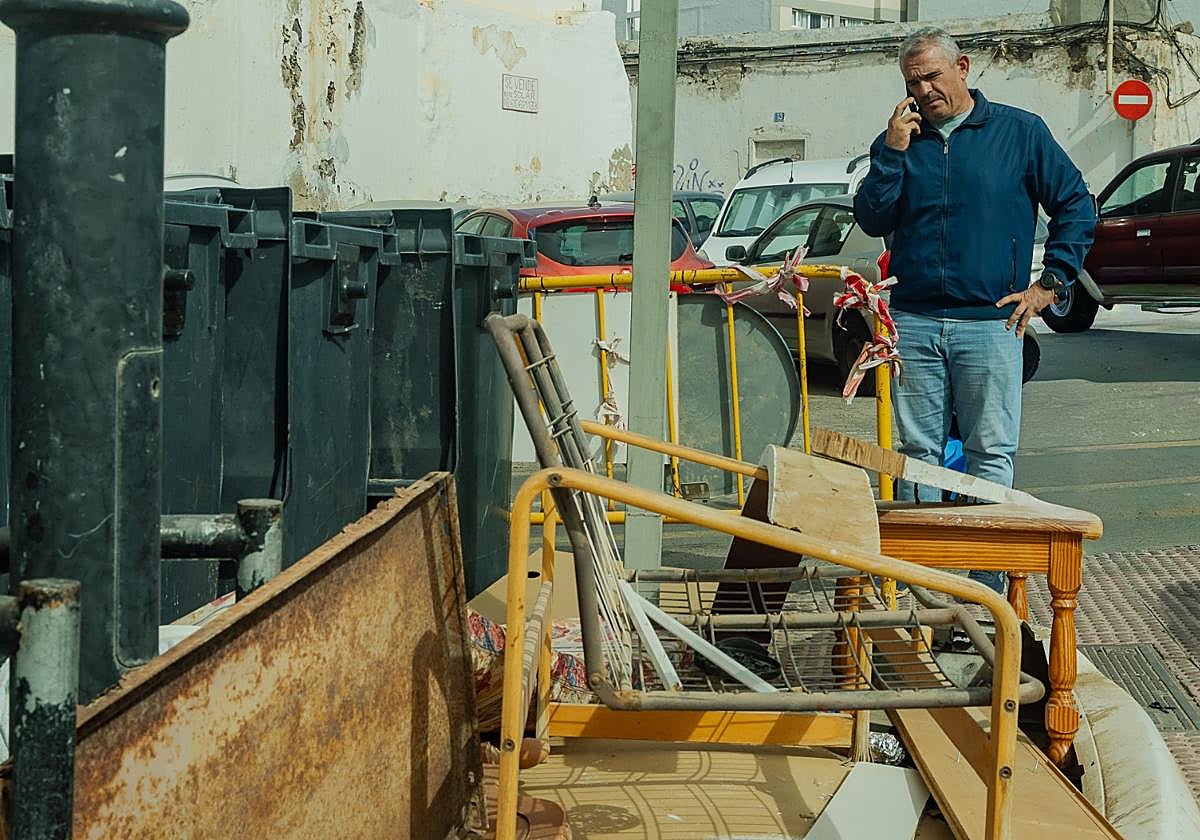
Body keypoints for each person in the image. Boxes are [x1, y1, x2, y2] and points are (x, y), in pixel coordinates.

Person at [853, 28, 1096, 593]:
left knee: (990, 455)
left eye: (933, 75)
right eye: (912, 80)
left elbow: (1076, 205)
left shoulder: (1019, 132)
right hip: (912, 322)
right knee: (917, 457)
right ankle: (927, 593)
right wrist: (891, 153)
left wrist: (1051, 284)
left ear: (962, 68)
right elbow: (871, 217)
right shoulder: (898, 142)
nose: (924, 89)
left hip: (993, 323)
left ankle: (984, 592)